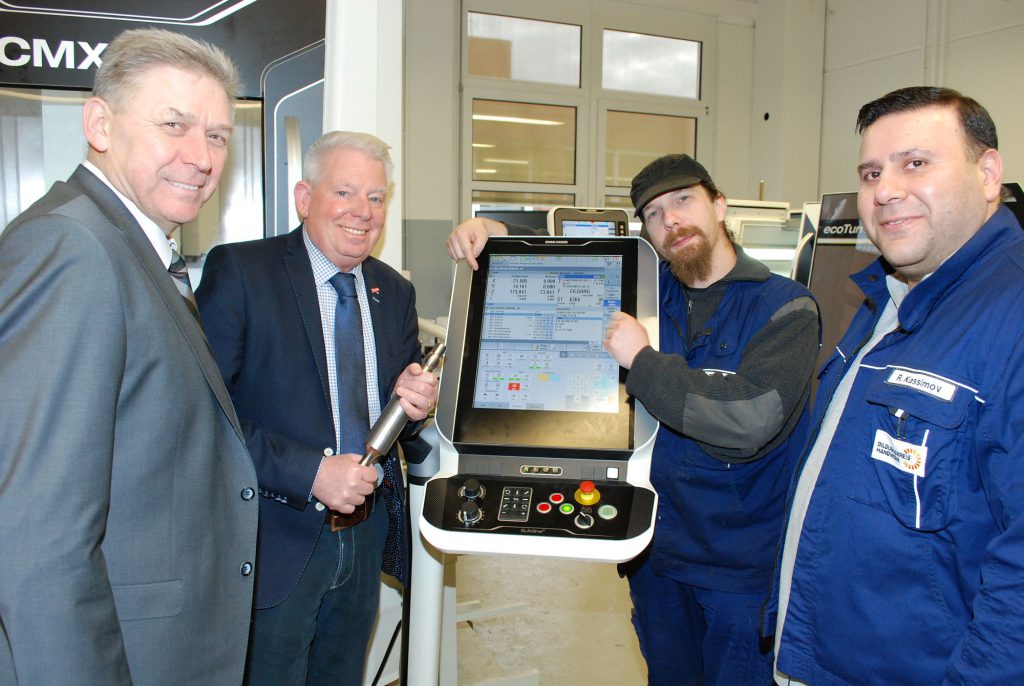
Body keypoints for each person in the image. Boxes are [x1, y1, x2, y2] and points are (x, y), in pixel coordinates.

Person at [447, 155, 820, 685]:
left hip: (738, 565)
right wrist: (495, 231)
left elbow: (748, 421)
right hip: (653, 549)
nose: (671, 221)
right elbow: (569, 263)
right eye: (654, 213)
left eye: (683, 201)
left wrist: (642, 361)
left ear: (718, 205)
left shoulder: (786, 307)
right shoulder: (646, 288)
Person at [0, 28, 257, 685]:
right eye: (174, 125)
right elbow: (38, 540)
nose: (201, 157)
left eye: (217, 135)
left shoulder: (133, 248)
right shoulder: (73, 250)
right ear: (99, 124)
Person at [771, 86, 1024, 685]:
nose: (885, 191)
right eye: (871, 173)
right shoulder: (891, 297)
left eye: (915, 163)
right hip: (820, 652)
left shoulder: (1009, 316)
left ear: (988, 173)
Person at [196, 130, 439, 685]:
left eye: (376, 197)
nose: (362, 212)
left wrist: (415, 403)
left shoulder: (393, 292)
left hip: (364, 535)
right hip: (274, 540)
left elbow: (399, 416)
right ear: (305, 198)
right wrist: (311, 473)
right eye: (345, 192)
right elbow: (205, 412)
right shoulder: (242, 273)